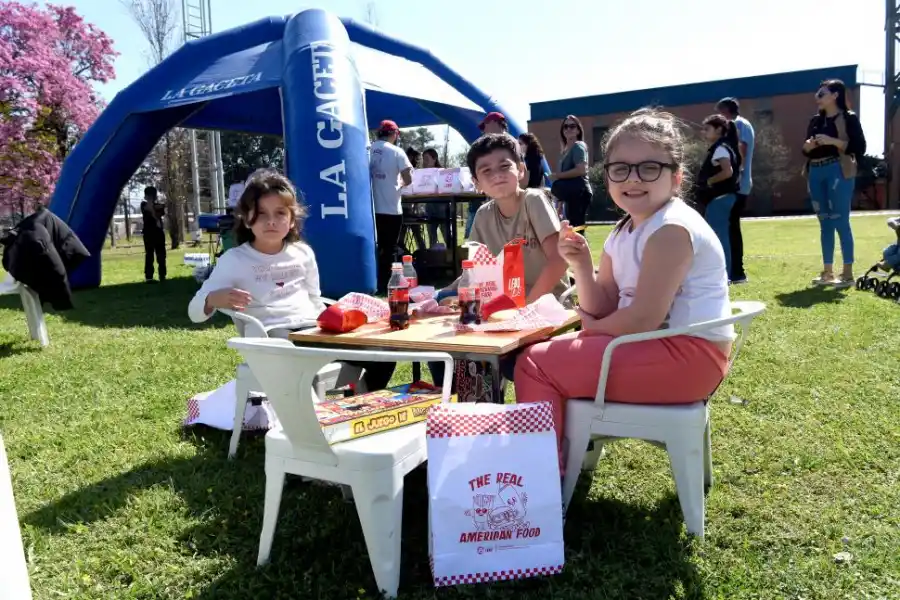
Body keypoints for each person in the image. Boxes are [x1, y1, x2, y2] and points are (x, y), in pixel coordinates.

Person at [514, 108, 734, 475]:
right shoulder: (624, 230)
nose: (633, 179)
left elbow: (641, 318)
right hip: (651, 346)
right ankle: (556, 459)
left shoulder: (671, 230)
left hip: (689, 359)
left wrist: (582, 332)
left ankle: (540, 479)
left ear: (676, 177)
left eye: (649, 168)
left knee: (534, 363)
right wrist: (581, 266)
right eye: (620, 169)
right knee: (545, 357)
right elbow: (604, 306)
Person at [187, 171, 394, 390]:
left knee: (383, 355)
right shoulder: (235, 259)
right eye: (261, 213)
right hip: (274, 339)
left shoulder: (302, 252)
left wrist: (334, 325)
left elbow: (315, 298)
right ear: (247, 219)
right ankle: (322, 413)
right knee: (309, 356)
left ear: (292, 219)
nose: (271, 222)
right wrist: (211, 299)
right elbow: (194, 312)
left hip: (315, 331)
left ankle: (358, 412)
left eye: (280, 213)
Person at [430, 133, 570, 386]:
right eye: (486, 171)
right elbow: (476, 269)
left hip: (544, 305)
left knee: (505, 361)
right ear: (477, 182)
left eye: (505, 166)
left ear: (522, 170)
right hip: (502, 309)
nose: (497, 175)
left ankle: (496, 409)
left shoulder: (534, 201)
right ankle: (468, 413)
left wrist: (526, 308)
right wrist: (443, 294)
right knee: (440, 351)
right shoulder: (483, 215)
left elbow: (559, 260)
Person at [802, 79, 866, 288]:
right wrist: (809, 146)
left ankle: (847, 273)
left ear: (835, 96)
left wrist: (832, 141)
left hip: (838, 170)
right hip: (815, 171)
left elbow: (859, 147)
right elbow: (805, 150)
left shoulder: (848, 118)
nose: (817, 98)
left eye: (821, 94)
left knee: (840, 220)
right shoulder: (815, 120)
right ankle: (827, 272)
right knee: (825, 223)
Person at [696, 114, 741, 281]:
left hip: (719, 198)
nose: (703, 132)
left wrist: (708, 181)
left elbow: (727, 172)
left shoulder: (720, 148)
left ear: (719, 130)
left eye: (707, 129)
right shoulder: (727, 147)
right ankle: (723, 274)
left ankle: (724, 276)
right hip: (724, 197)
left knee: (719, 237)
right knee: (721, 235)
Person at [370, 120, 413, 289]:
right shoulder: (397, 151)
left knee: (375, 245)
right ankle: (388, 281)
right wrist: (400, 185)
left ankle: (373, 277)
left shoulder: (368, 149)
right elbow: (408, 178)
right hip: (391, 207)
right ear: (394, 134)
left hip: (370, 208)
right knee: (390, 247)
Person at [716, 98, 754, 284]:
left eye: (719, 113)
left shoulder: (737, 124)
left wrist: (735, 176)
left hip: (738, 185)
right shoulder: (742, 124)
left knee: (731, 229)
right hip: (739, 184)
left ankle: (737, 272)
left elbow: (742, 149)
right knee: (731, 228)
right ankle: (734, 271)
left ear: (726, 111)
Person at [466, 112, 510, 237]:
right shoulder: (490, 146)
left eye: (485, 126)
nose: (484, 131)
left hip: (508, 199)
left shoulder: (510, 144)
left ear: (495, 123)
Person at [549, 115, 593, 228]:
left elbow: (582, 170)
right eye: (565, 127)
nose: (568, 129)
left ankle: (583, 246)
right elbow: (566, 183)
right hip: (571, 194)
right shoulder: (564, 151)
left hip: (580, 192)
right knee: (572, 229)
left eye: (572, 126)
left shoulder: (578, 146)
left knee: (577, 229)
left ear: (578, 130)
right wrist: (559, 206)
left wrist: (558, 175)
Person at [422, 148, 450, 247]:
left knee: (447, 236)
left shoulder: (442, 172)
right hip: (430, 208)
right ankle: (433, 258)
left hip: (442, 208)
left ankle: (452, 256)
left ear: (434, 159)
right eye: (423, 159)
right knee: (432, 237)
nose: (424, 161)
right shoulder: (422, 174)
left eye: (426, 158)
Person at [140, 186, 166, 283]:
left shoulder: (159, 206)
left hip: (158, 233)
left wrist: (155, 214)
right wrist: (155, 218)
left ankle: (162, 275)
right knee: (149, 255)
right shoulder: (143, 204)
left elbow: (159, 210)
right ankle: (149, 276)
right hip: (148, 233)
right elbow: (149, 208)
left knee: (161, 255)